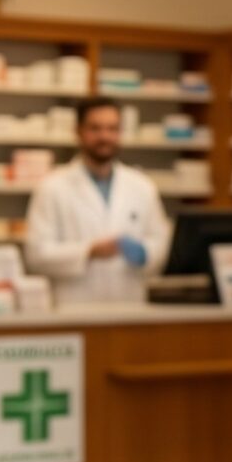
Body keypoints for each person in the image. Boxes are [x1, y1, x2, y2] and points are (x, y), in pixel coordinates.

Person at [23, 97, 172, 306]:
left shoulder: (142, 186)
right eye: (95, 128)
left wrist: (145, 253)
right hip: (74, 306)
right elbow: (36, 256)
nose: (105, 136)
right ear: (78, 131)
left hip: (129, 305)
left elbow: (161, 243)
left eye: (112, 128)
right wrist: (88, 251)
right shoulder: (52, 187)